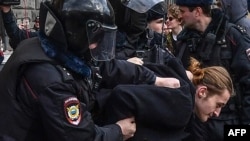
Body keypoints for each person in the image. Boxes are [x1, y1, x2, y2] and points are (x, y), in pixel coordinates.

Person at [0, 0, 182, 141]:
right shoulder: (52, 81)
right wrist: (119, 131)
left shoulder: (51, 48)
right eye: (94, 38)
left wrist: (154, 79)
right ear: (75, 33)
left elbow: (106, 66)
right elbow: (81, 137)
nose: (96, 45)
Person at [101, 57, 234, 141]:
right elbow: (123, 95)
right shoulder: (183, 105)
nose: (217, 113)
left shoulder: (184, 101)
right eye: (218, 105)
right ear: (202, 92)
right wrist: (119, 132)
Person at [174, 0, 250, 140]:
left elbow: (248, 82)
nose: (180, 16)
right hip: (195, 124)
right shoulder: (183, 42)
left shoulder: (232, 36)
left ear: (197, 11)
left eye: (183, 11)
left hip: (230, 122)